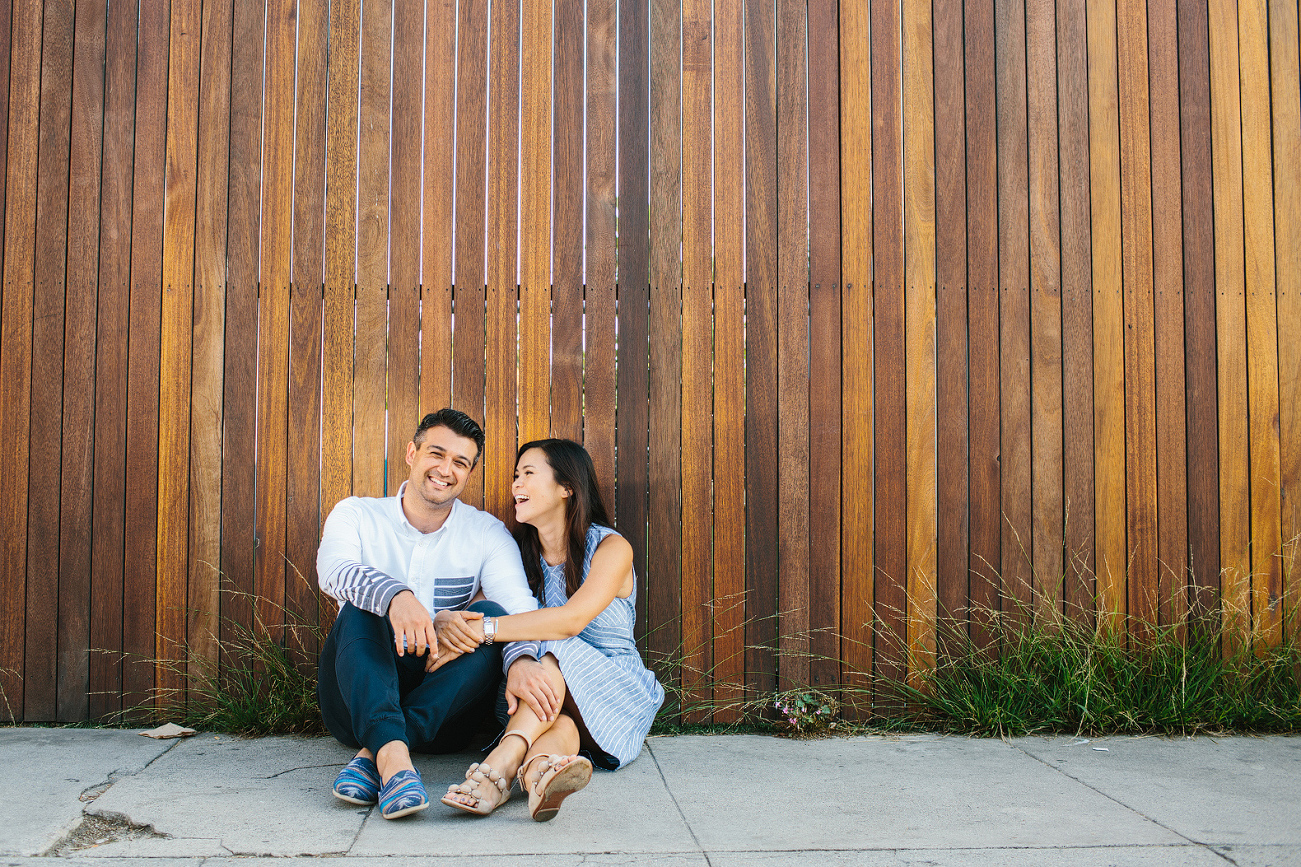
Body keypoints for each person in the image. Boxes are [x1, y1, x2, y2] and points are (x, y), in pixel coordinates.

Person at [315, 409, 545, 819]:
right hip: (354, 700)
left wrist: (523, 660)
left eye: (460, 462)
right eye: (436, 454)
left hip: (443, 713)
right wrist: (396, 596)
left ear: (469, 473)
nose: (445, 469)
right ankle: (395, 758)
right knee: (364, 603)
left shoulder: (486, 532)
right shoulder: (358, 514)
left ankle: (384, 755)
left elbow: (518, 609)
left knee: (490, 617)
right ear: (411, 453)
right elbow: (334, 573)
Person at [440, 438, 665, 821]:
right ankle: (541, 773)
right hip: (542, 697)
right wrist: (451, 623)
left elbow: (569, 622)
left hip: (614, 691)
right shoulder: (516, 554)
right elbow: (479, 608)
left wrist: (488, 630)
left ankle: (501, 764)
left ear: (567, 487)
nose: (515, 485)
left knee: (558, 649)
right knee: (560, 722)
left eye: (528, 474)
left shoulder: (611, 548)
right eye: (515, 475)